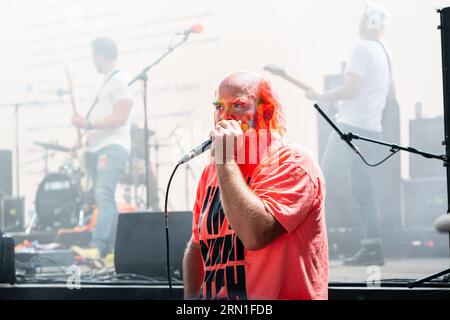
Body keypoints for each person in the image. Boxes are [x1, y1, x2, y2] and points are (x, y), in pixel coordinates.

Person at [183, 70, 328, 300]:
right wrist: (192, 300)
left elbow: (255, 235)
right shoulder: (211, 173)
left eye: (238, 106)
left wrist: (224, 159)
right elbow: (197, 246)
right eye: (220, 107)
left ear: (266, 112)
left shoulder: (293, 162)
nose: (225, 117)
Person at [305, 3, 394, 266]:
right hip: (371, 129)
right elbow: (391, 94)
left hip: (349, 128)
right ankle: (372, 248)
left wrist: (324, 96)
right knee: (364, 191)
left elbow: (351, 88)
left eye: (362, 18)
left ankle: (309, 248)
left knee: (320, 184)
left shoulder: (361, 49)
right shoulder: (386, 53)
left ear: (368, 22)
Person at [71, 37, 133, 260]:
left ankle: (99, 247)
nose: (93, 62)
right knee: (104, 197)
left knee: (104, 195)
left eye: (93, 57)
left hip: (112, 147)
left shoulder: (120, 79)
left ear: (99, 55)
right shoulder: (108, 81)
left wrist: (88, 124)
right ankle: (114, 251)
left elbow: (121, 116)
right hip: (101, 147)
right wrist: (81, 141)